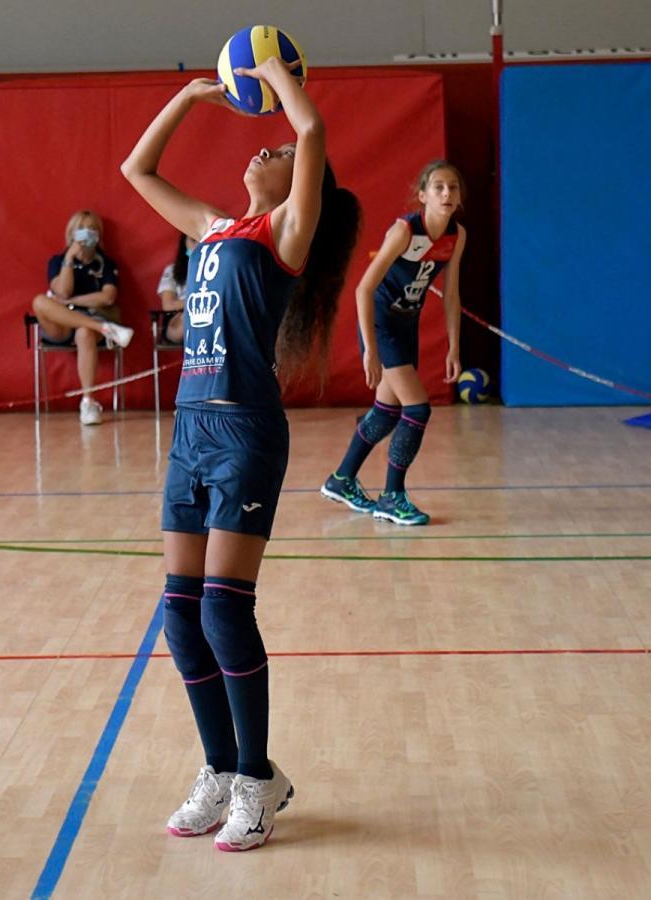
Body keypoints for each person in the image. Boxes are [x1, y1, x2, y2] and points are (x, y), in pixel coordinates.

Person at [121, 58, 360, 850]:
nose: (264, 150)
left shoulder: (285, 235)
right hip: (190, 429)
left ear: (302, 186)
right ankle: (221, 768)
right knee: (180, 618)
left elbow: (313, 128)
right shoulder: (213, 227)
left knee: (225, 608)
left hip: (245, 431)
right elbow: (137, 168)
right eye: (263, 147)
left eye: (277, 152)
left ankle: (259, 778)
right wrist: (188, 98)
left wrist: (273, 72)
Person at [320, 161, 466, 525]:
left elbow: (451, 295)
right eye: (438, 187)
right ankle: (392, 497)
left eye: (453, 188)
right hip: (381, 321)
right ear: (422, 196)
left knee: (386, 412)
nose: (447, 193)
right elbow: (363, 288)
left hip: (406, 324)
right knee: (416, 409)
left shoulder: (456, 235)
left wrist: (454, 347)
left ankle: (341, 479)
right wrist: (370, 348)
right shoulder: (405, 230)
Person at [30, 210, 134, 425]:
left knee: (85, 332)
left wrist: (74, 302)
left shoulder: (105, 263)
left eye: (93, 228)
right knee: (39, 302)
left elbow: (107, 297)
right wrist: (69, 258)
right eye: (82, 229)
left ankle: (88, 402)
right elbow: (62, 292)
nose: (88, 233)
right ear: (72, 233)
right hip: (62, 324)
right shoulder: (58, 260)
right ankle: (106, 328)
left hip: (89, 322)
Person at [156, 233, 196, 343]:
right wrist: (197, 300)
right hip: (179, 319)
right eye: (193, 240)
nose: (198, 245)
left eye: (201, 240)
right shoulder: (172, 270)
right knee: (191, 315)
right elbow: (168, 305)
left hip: (212, 315)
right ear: (184, 243)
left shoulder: (219, 269)